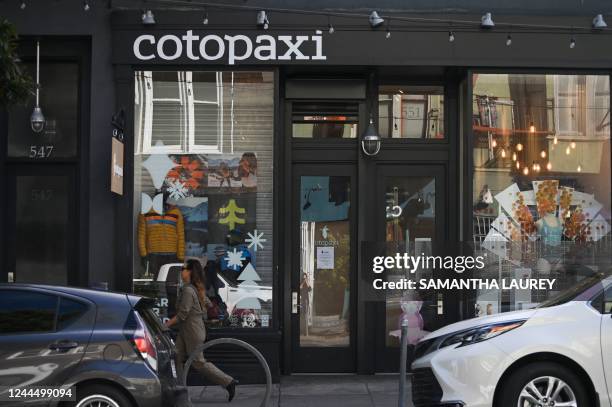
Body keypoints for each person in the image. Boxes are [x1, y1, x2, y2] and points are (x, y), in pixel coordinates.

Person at [165, 259, 238, 402]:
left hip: (192, 331)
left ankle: (228, 382)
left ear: (190, 271)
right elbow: (207, 304)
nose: (181, 271)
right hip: (188, 331)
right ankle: (179, 390)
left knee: (198, 362)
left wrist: (165, 325)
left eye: (184, 269)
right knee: (176, 357)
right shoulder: (196, 287)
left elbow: (182, 314)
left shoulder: (188, 290)